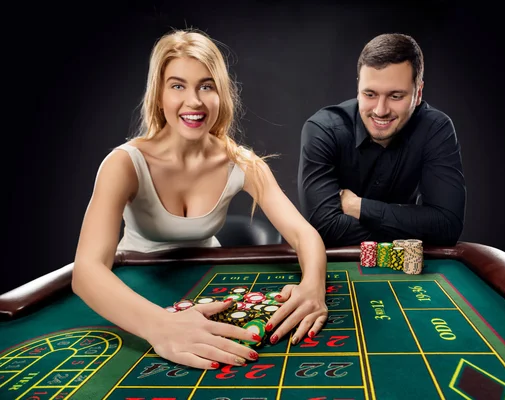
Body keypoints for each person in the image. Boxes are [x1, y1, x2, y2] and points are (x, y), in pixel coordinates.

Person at [71, 28, 328, 370]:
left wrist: (313, 286)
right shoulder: (124, 164)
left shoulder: (241, 162)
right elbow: (86, 272)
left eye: (206, 86)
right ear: (159, 95)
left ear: (221, 94)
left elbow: (303, 234)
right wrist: (160, 327)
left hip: (211, 288)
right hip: (136, 290)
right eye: (178, 85)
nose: (194, 101)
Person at [297, 33, 466, 247]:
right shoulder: (323, 130)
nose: (380, 110)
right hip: (330, 264)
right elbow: (325, 228)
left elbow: (447, 226)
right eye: (370, 94)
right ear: (358, 89)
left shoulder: (435, 128)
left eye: (396, 96)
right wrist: (415, 227)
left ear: (419, 92)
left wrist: (359, 207)